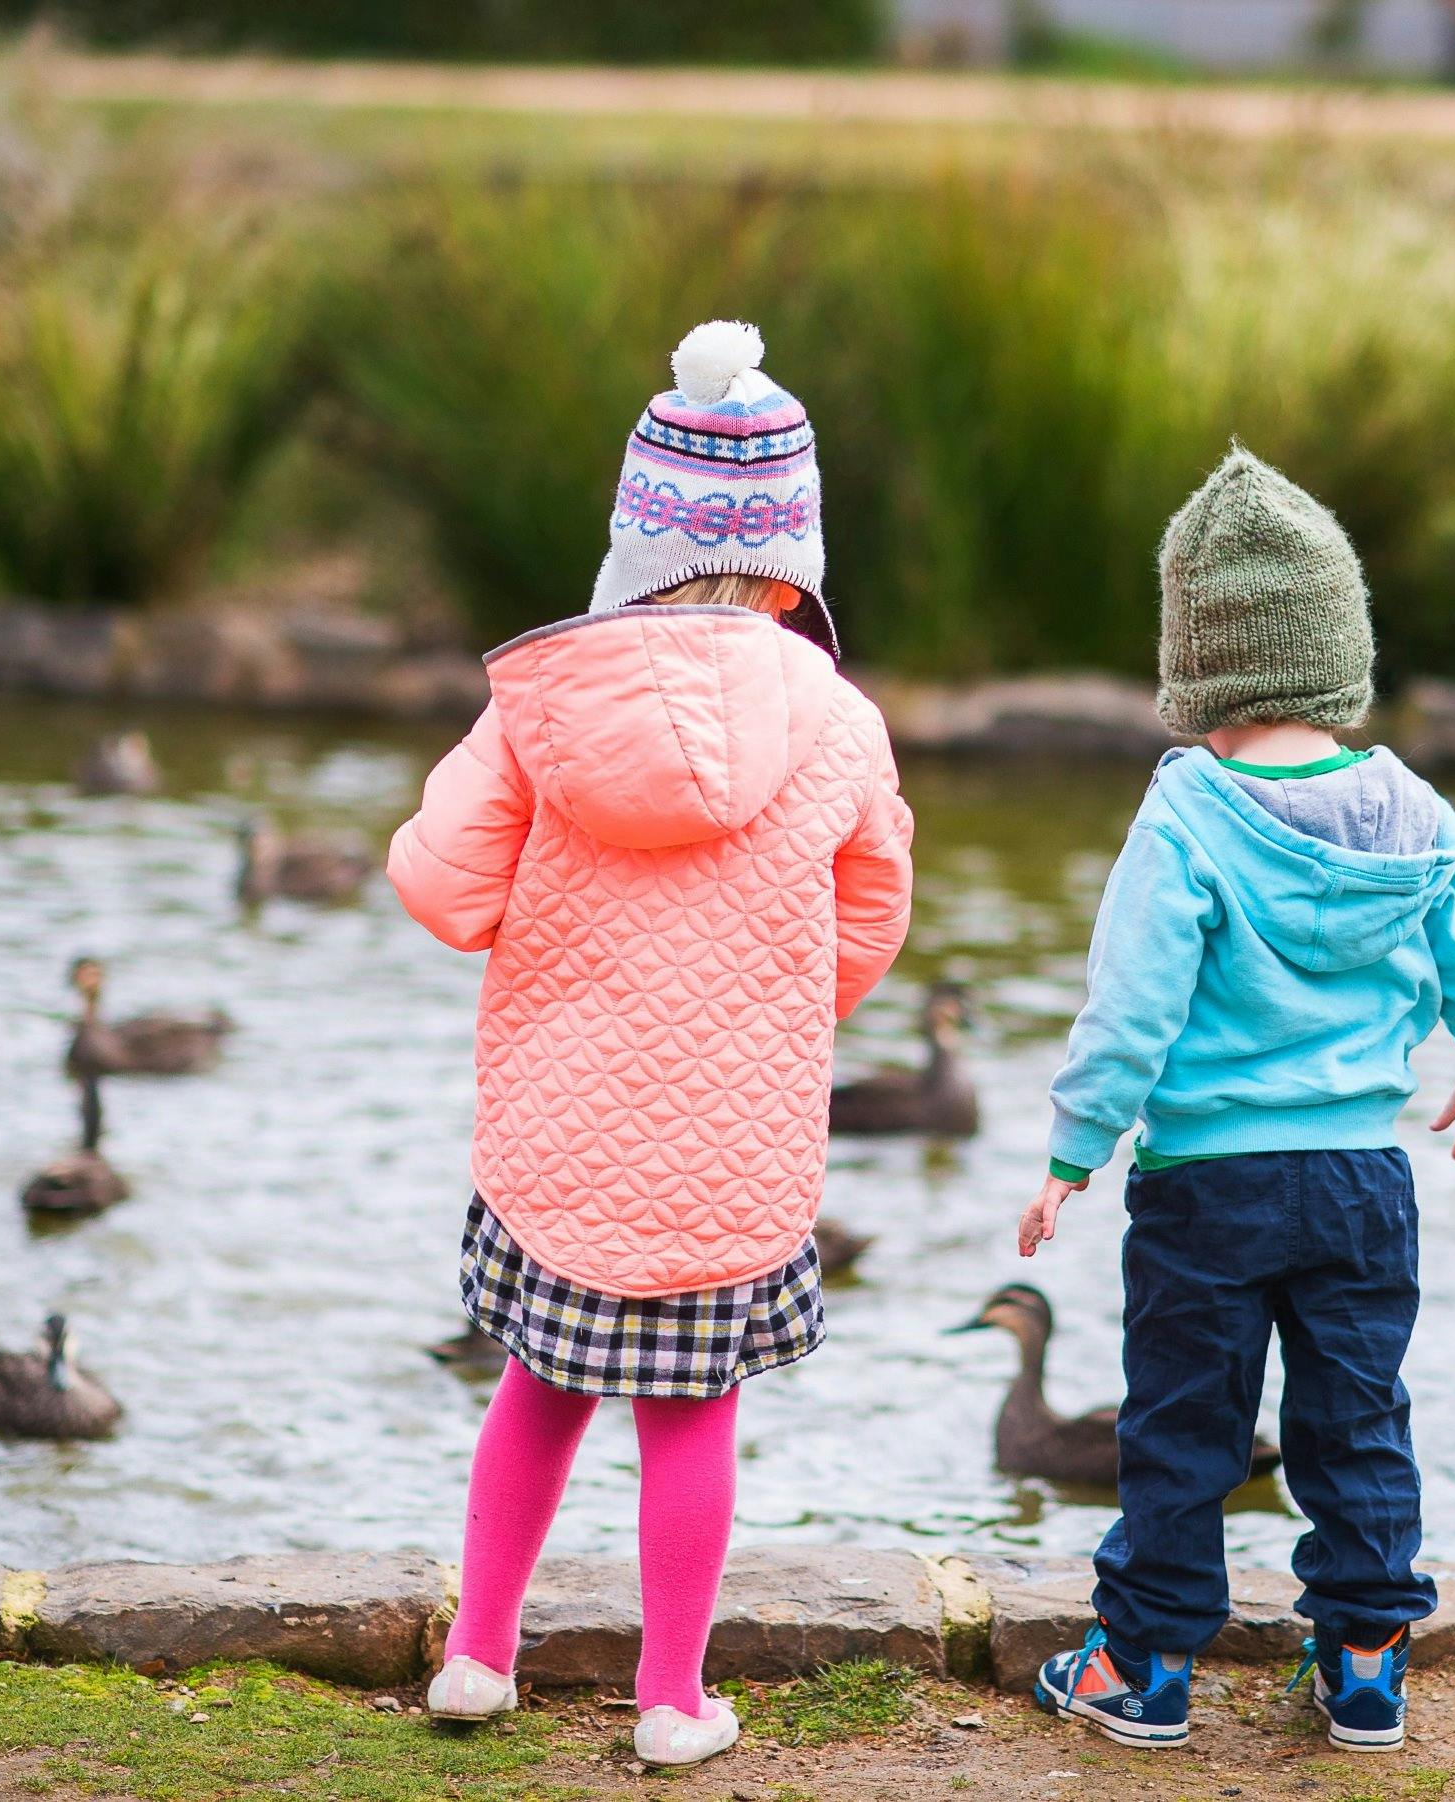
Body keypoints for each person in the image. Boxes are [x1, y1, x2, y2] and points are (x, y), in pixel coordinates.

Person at [387, 321, 913, 1770]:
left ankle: (479, 1655)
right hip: (733, 1150)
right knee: (692, 1417)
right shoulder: (842, 726)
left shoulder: (539, 708)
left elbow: (441, 889)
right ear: (794, 551)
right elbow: (868, 928)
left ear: (634, 538)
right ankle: (673, 1699)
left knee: (538, 1384)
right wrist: (774, 1011)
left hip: (558, 1135)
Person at [1019, 449, 1455, 1754]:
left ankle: (1141, 1663)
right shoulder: (1414, 808)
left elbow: (1130, 1003)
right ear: (1336, 654)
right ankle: (1365, 1656)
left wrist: (1073, 1151)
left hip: (1209, 1184)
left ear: (1199, 670)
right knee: (1356, 1412)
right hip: (1364, 1177)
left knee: (1184, 1420)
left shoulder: (1190, 807)